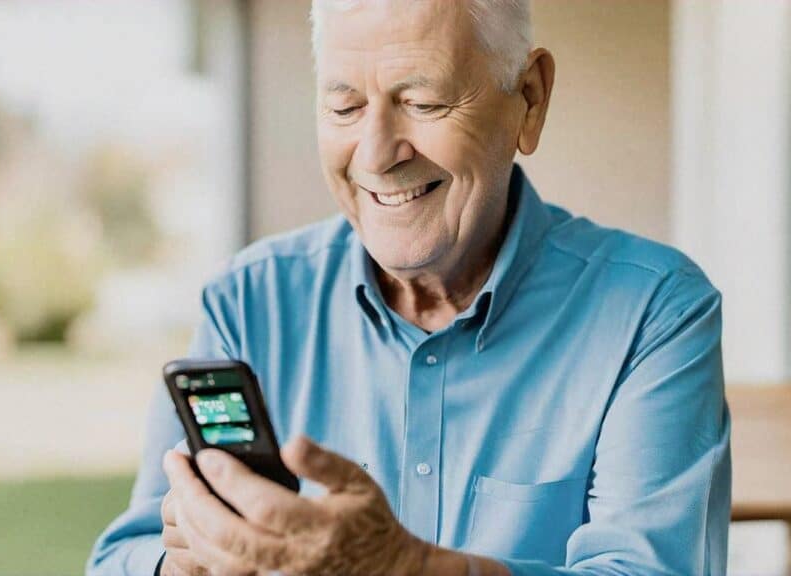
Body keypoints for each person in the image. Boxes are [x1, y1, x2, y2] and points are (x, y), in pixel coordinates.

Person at [88, 0, 731, 574]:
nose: (375, 154)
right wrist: (185, 566)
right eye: (344, 107)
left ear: (529, 99)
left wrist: (403, 568)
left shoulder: (654, 311)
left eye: (423, 103)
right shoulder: (248, 301)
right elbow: (122, 558)